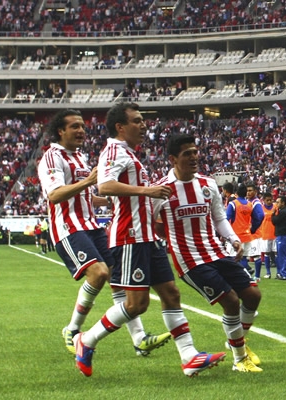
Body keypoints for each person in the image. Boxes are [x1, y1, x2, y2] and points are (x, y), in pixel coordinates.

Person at [73, 103, 224, 378]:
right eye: (137, 121)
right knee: (136, 304)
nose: (143, 126)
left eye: (143, 120)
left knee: (171, 294)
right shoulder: (114, 150)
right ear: (120, 127)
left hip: (146, 237)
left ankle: (189, 357)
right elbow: (105, 186)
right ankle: (87, 339)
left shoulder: (129, 153)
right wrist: (148, 191)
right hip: (130, 237)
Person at [37, 109, 170, 360]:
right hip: (68, 226)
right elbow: (54, 195)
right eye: (74, 126)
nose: (81, 131)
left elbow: (85, 196)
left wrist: (107, 201)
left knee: (117, 280)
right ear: (60, 131)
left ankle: (139, 338)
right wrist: (89, 182)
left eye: (82, 126)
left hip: (92, 225)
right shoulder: (52, 157)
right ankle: (72, 329)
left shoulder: (79, 157)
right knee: (99, 273)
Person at [152, 134, 263, 373]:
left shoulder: (207, 184)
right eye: (187, 154)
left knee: (253, 295)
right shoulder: (161, 190)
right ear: (173, 159)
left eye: (195, 152)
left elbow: (219, 218)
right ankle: (240, 359)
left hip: (215, 251)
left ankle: (236, 340)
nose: (194, 157)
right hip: (190, 260)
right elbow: (150, 222)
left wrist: (233, 239)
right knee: (231, 301)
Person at [226, 183, 263, 274]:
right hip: (247, 236)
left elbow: (226, 219)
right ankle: (246, 275)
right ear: (245, 193)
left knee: (233, 258)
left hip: (236, 236)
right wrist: (253, 229)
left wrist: (223, 233)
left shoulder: (233, 204)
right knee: (243, 258)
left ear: (237, 193)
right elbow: (258, 218)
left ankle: (240, 276)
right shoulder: (250, 204)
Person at [246, 182, 265, 281]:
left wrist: (253, 228)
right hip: (248, 233)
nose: (248, 192)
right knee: (247, 255)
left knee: (256, 255)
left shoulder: (256, 202)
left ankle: (257, 276)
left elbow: (261, 216)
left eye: (250, 190)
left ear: (255, 191)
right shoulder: (248, 201)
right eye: (247, 191)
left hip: (255, 234)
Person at [271, 195, 286, 280]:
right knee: (280, 255)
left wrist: (273, 213)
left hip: (282, 235)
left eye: (278, 202)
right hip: (281, 235)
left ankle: (285, 274)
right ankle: (280, 273)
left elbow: (275, 221)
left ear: (283, 203)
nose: (276, 204)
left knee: (282, 255)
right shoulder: (282, 211)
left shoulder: (284, 212)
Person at [259, 192, 276, 279]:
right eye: (267, 200)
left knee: (276, 253)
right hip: (265, 234)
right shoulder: (261, 209)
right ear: (264, 200)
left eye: (270, 200)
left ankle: (279, 272)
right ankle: (268, 272)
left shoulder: (275, 207)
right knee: (267, 253)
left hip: (275, 234)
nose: (269, 201)